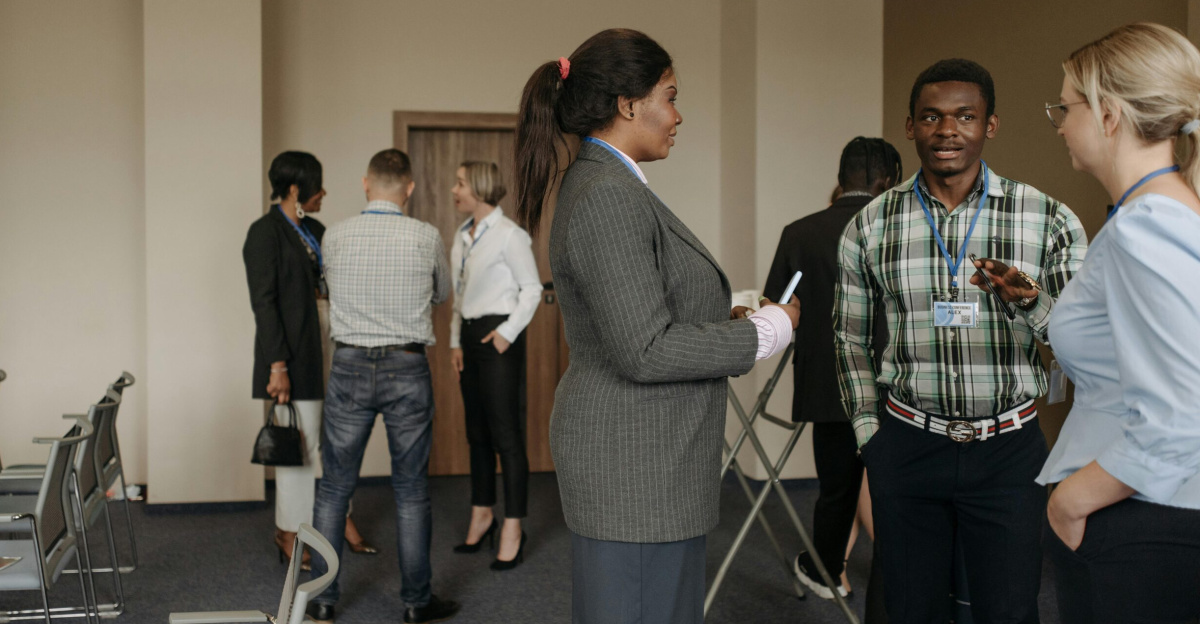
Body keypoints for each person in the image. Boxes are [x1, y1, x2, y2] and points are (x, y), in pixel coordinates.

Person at [514, 28, 799, 624]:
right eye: (670, 97)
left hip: (647, 460)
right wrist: (767, 331)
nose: (678, 115)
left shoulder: (612, 186)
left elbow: (641, 315)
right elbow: (645, 350)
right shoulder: (607, 195)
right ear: (627, 104)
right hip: (636, 465)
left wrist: (720, 320)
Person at [834, 58, 1088, 623]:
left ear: (990, 125)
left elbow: (1083, 346)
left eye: (965, 116)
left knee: (1009, 609)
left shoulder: (1049, 219)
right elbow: (849, 337)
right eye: (931, 117)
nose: (947, 130)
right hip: (907, 445)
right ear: (910, 126)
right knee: (910, 609)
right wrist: (870, 435)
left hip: (1008, 450)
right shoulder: (870, 225)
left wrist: (1030, 301)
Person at [1037, 22, 1200, 623]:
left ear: (1109, 114)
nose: (1059, 125)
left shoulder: (1146, 225)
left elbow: (1182, 413)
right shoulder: (1172, 211)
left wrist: (1071, 503)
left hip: (1137, 520)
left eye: (1066, 107)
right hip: (1154, 512)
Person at [306, 149, 458, 624]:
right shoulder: (425, 235)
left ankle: (322, 601)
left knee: (334, 488)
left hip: (349, 365)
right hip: (406, 366)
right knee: (411, 490)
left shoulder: (335, 235)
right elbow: (442, 294)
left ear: (366, 183)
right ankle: (416, 603)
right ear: (408, 188)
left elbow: (327, 289)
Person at [763, 136, 901, 601]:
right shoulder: (903, 229)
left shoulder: (800, 232)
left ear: (840, 179)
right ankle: (906, 580)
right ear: (888, 180)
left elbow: (776, 307)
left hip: (830, 382)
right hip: (898, 382)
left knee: (837, 489)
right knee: (897, 488)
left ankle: (825, 571)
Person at [242, 151, 372, 572]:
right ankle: (289, 531)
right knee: (297, 446)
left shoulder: (315, 229)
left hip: (331, 345)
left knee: (338, 439)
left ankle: (342, 515)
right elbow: (264, 305)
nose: (324, 193)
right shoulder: (264, 234)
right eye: (317, 186)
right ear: (295, 189)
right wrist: (277, 366)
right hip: (293, 354)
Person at [447, 161, 543, 569]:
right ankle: (483, 513)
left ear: (480, 188)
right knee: (477, 433)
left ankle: (513, 526)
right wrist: (455, 341)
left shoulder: (509, 235)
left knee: (506, 434)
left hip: (499, 336)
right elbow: (459, 295)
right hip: (469, 338)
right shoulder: (462, 235)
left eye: (460, 183)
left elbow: (532, 290)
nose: (454, 190)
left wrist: (506, 334)